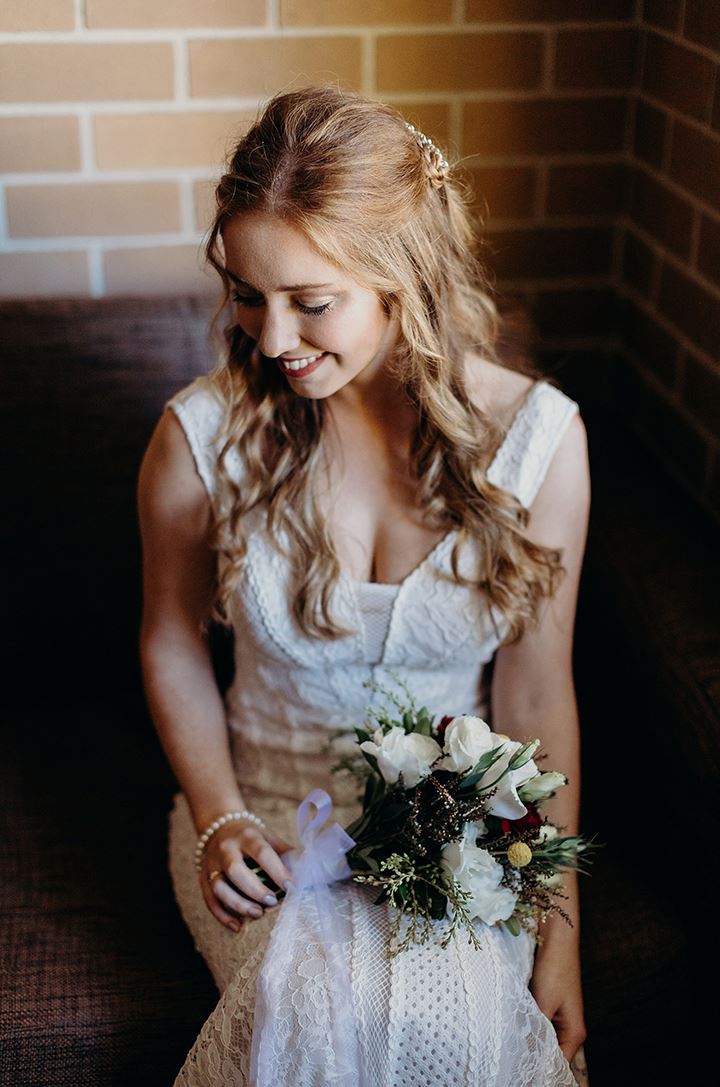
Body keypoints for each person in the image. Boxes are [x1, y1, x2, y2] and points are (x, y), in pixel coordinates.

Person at [137, 85, 590, 1086]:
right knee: (315, 1002)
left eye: (311, 301)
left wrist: (558, 923)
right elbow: (169, 637)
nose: (271, 340)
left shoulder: (540, 444)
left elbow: (535, 689)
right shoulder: (200, 438)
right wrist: (217, 817)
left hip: (461, 840)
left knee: (446, 1022)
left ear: (403, 277)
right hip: (258, 819)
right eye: (250, 296)